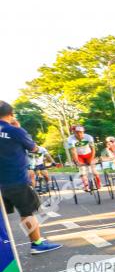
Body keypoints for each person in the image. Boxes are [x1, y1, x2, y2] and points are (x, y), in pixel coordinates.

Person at [0, 101, 62, 254]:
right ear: (11, 114)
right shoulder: (14, 131)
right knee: (27, 212)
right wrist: (18, 127)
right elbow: (33, 148)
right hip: (16, 180)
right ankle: (37, 244)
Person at [66, 126, 101, 192]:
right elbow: (73, 151)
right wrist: (77, 161)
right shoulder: (70, 139)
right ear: (74, 132)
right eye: (77, 132)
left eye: (81, 132)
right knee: (82, 171)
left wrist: (91, 160)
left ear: (83, 132)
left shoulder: (88, 137)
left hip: (89, 154)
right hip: (79, 156)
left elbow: (93, 149)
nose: (79, 134)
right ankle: (86, 185)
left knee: (93, 170)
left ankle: (98, 182)